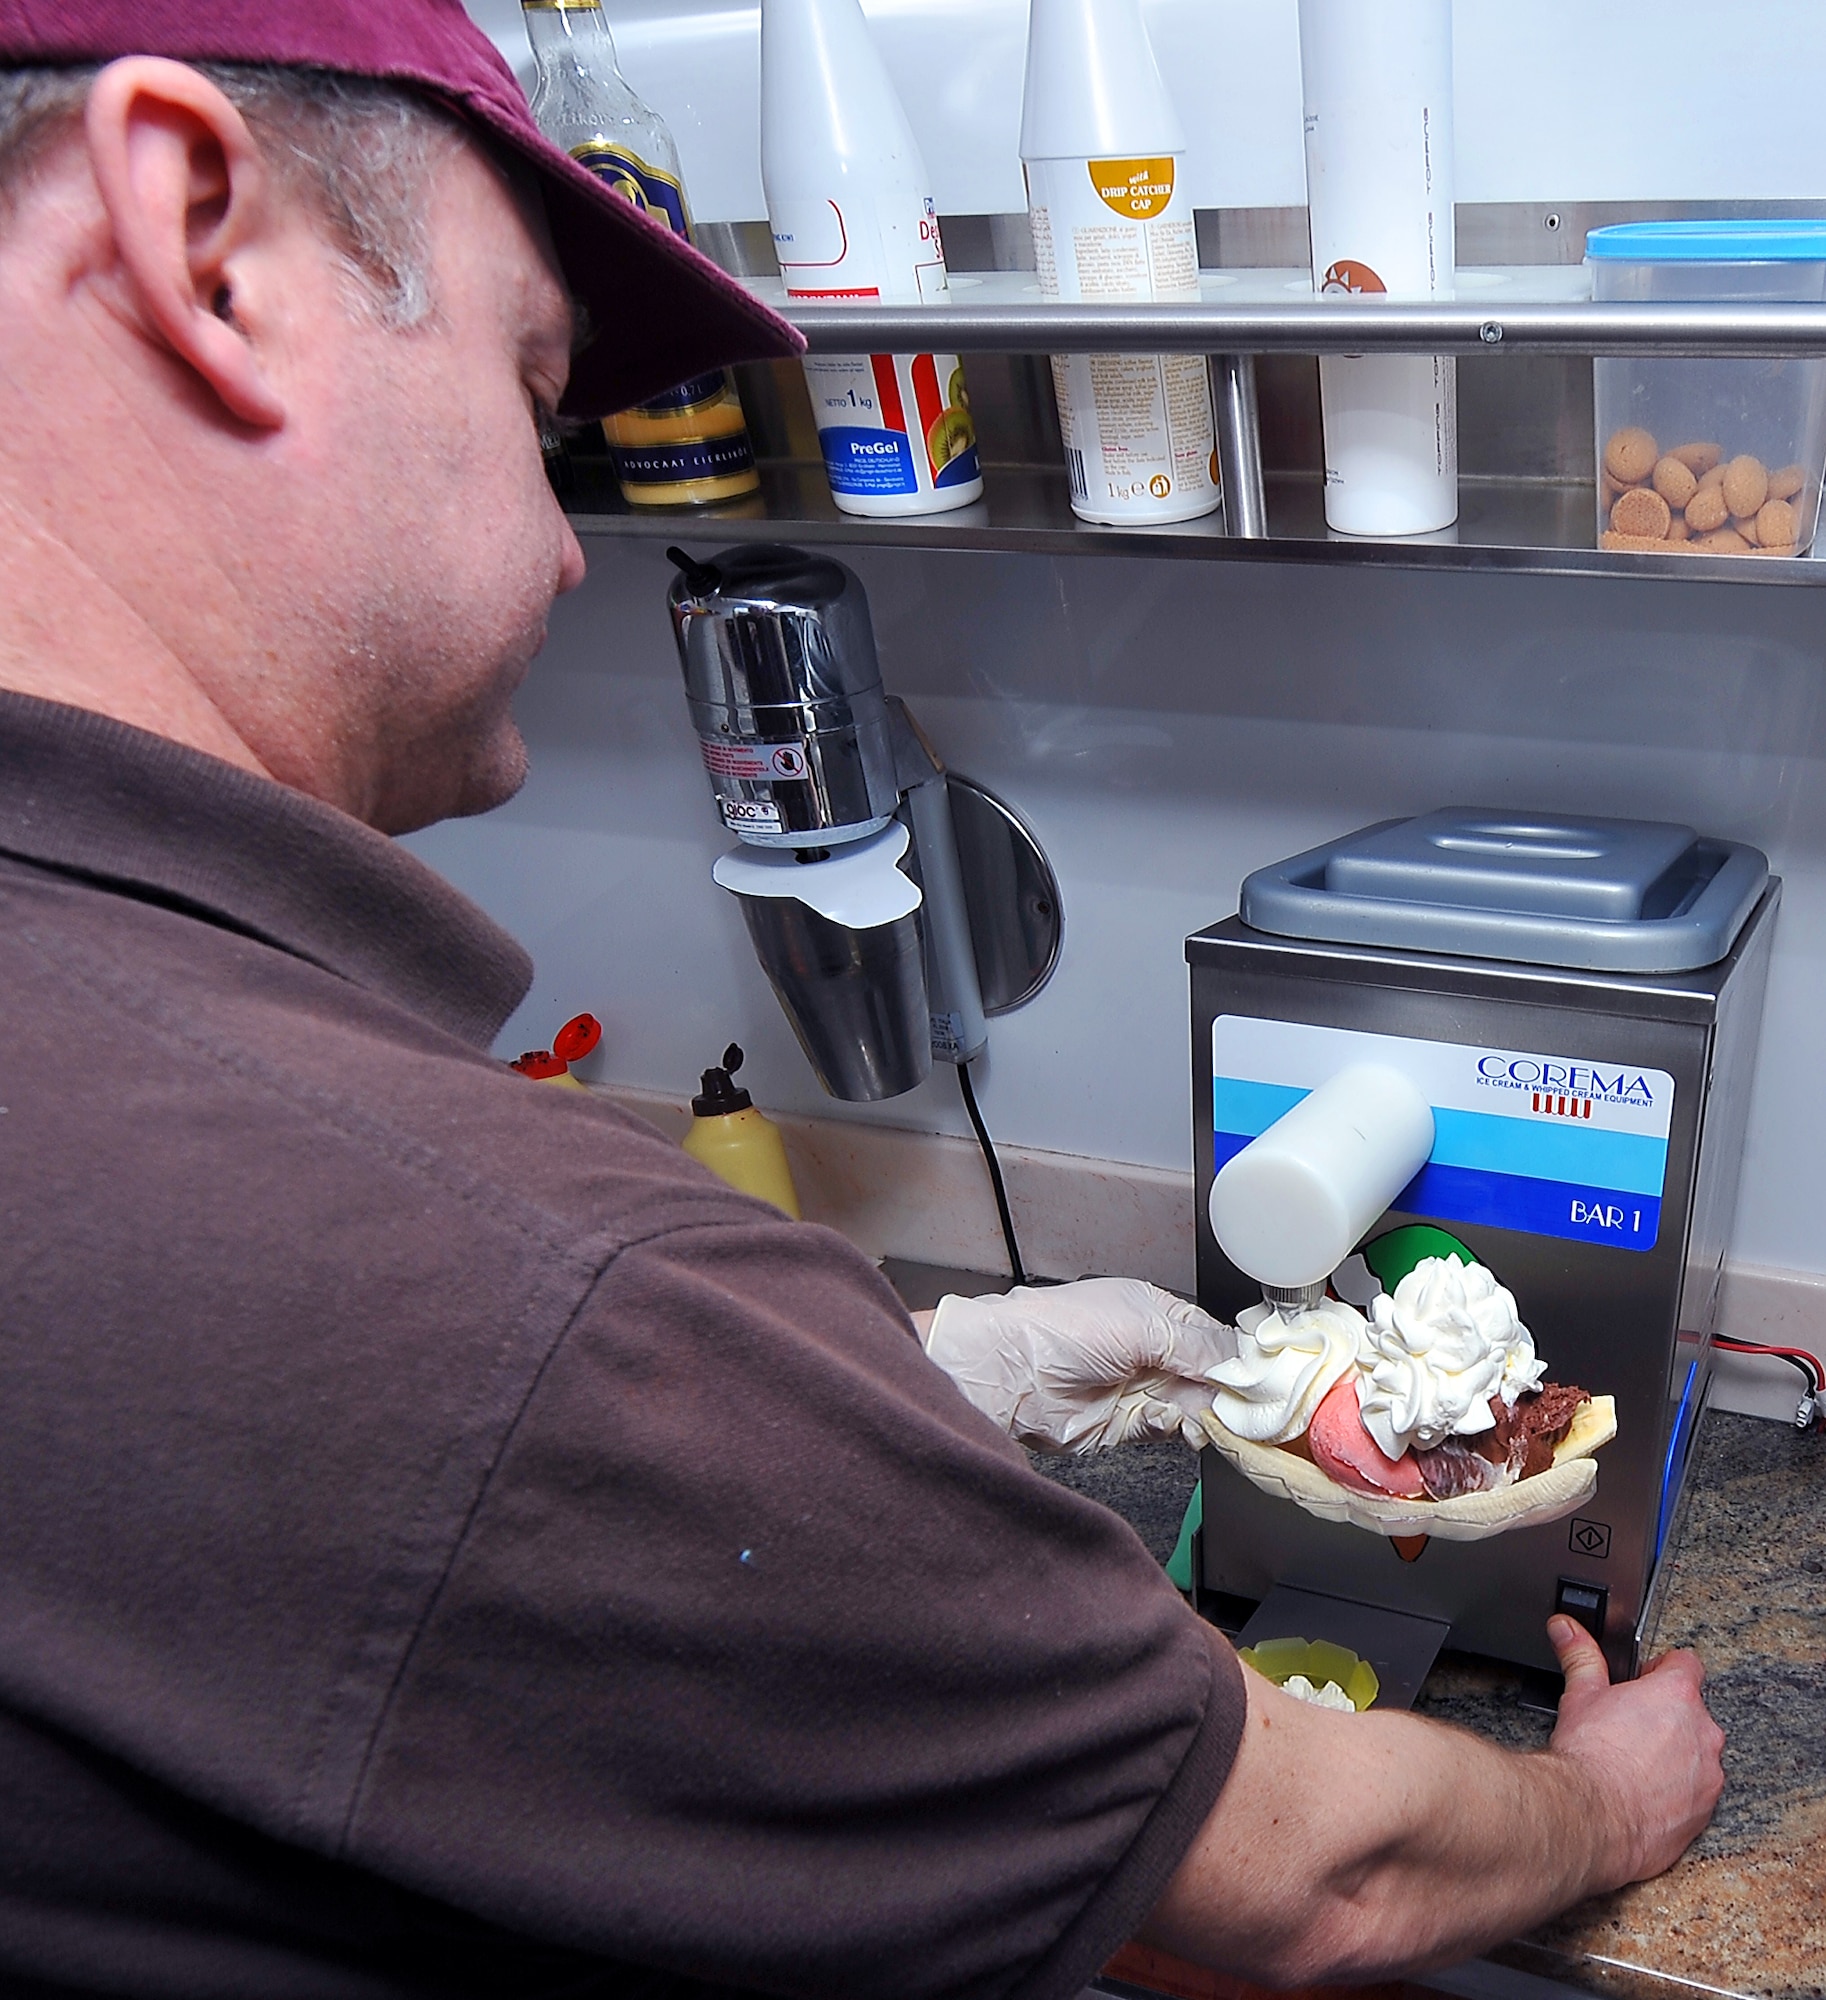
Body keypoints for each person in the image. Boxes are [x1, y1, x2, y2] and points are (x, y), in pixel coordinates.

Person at [0, 3, 1725, 1995]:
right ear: (198, 238)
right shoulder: (527, 1296)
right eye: (524, 374)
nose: (574, 545)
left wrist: (915, 1387)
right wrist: (1603, 1801)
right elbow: (1298, 1877)